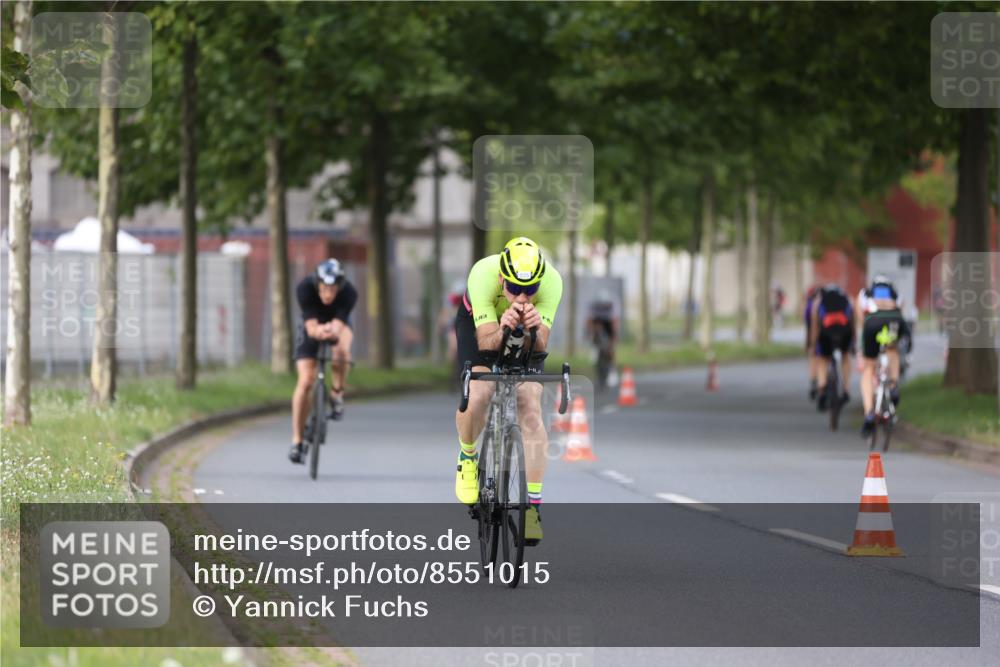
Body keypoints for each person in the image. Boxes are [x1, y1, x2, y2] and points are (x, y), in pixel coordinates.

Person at [453, 237, 562, 544]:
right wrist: (503, 327)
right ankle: (468, 457)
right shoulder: (482, 275)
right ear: (502, 279)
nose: (523, 296)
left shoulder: (552, 283)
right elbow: (487, 343)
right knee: (479, 394)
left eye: (530, 289)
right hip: (481, 329)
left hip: (526, 337)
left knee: (530, 403)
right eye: (514, 288)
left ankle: (532, 510)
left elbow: (541, 347)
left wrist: (534, 330)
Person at [289, 259, 357, 464]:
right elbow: (310, 328)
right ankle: (297, 440)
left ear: (339, 287)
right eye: (324, 288)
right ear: (318, 284)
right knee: (306, 381)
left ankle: (337, 393)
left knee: (341, 353)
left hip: (338, 324)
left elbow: (339, 325)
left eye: (332, 289)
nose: (328, 294)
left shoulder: (349, 293)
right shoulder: (305, 288)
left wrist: (332, 331)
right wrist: (319, 331)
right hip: (312, 324)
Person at [859, 276, 908, 438]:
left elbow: (861, 317)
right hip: (895, 319)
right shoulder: (896, 294)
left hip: (872, 322)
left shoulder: (865, 293)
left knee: (869, 368)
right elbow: (902, 309)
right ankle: (893, 385)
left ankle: (869, 413)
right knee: (892, 349)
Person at [809, 283, 855, 410]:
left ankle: (822, 387)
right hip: (844, 331)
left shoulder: (818, 301)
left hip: (826, 331)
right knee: (845, 357)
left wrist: (813, 344)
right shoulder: (847, 298)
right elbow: (853, 321)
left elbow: (815, 326)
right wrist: (854, 341)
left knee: (823, 359)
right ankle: (846, 390)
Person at [585, 288, 619, 384]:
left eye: (605, 306)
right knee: (593, 331)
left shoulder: (613, 305)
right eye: (602, 305)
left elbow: (615, 322)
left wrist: (613, 337)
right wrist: (590, 334)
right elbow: (589, 320)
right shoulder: (593, 305)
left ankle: (612, 369)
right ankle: (594, 348)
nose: (603, 307)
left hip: (608, 323)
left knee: (611, 347)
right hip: (597, 321)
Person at [803, 284, 821, 400]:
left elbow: (809, 326)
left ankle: (814, 381)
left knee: (814, 355)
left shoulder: (810, 305)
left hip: (816, 332)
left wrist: (809, 344)